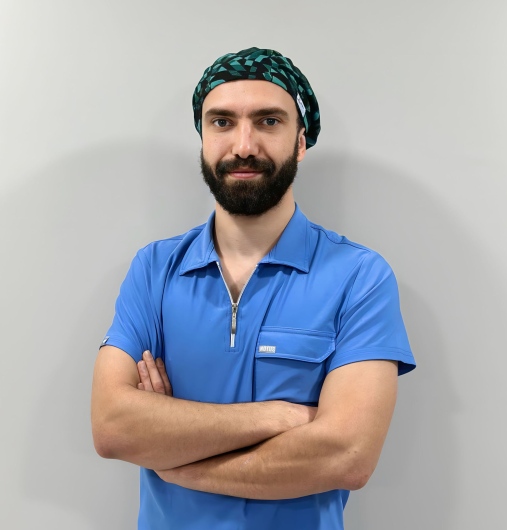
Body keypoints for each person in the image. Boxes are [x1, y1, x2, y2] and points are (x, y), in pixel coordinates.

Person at [91, 47, 416, 530]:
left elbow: (347, 455)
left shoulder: (359, 276)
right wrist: (278, 417)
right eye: (222, 122)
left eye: (268, 121)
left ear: (300, 142)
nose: (243, 145)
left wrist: (177, 459)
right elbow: (112, 427)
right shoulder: (154, 269)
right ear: (203, 138)